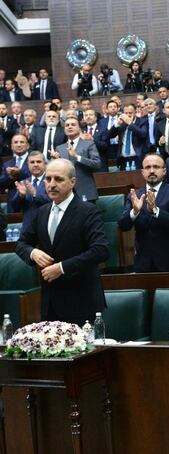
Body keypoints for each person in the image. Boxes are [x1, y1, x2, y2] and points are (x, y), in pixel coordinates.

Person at [16, 158, 109, 325]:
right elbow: (22, 243)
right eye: (48, 179)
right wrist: (33, 252)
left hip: (82, 302)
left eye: (58, 179)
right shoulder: (42, 212)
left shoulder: (88, 211)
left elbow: (100, 250)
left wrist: (61, 268)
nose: (52, 184)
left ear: (72, 182)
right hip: (49, 304)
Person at [118, 154, 169, 272]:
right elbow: (123, 225)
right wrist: (134, 212)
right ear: (142, 172)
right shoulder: (135, 195)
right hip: (143, 262)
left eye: (156, 167)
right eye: (148, 167)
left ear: (164, 171)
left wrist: (155, 210)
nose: (152, 171)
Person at [53, 116, 101, 202]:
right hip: (65, 193)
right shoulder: (59, 148)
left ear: (79, 129)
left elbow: (97, 164)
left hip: (85, 191)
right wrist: (56, 161)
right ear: (64, 130)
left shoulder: (88, 144)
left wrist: (77, 157)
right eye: (67, 125)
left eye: (73, 124)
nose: (70, 126)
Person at [7, 150, 47, 231]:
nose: (35, 164)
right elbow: (14, 207)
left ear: (45, 164)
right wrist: (20, 196)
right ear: (28, 165)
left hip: (46, 226)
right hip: (28, 228)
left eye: (38, 162)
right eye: (32, 162)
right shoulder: (23, 183)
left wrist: (35, 194)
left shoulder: (51, 181)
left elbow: (53, 200)